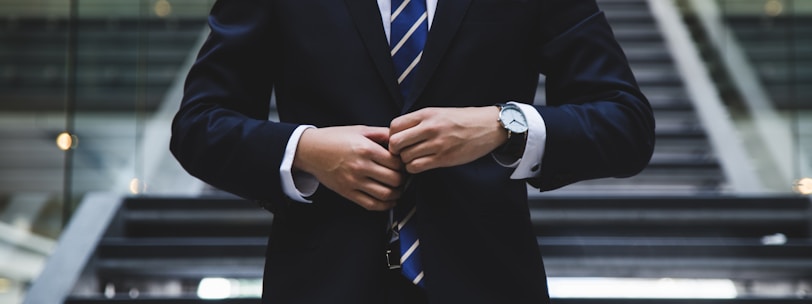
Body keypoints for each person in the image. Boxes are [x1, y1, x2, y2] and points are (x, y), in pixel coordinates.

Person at [170, 0, 655, 303]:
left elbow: (626, 122)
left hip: (488, 282)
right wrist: (305, 149)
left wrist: (504, 124)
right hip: (320, 283)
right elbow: (198, 125)